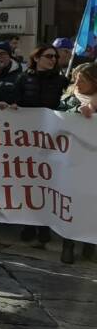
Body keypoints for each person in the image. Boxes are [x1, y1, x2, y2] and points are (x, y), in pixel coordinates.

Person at [3, 44, 68, 248]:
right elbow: (15, 99)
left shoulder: (61, 81)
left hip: (52, 140)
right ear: (37, 58)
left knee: (48, 182)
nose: (53, 60)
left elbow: (64, 105)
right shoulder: (23, 78)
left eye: (55, 57)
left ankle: (44, 226)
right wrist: (13, 106)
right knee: (28, 182)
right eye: (49, 56)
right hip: (27, 140)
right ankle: (29, 223)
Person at [59, 63, 97, 264]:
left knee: (93, 203)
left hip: (94, 161)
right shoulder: (68, 98)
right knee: (72, 203)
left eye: (83, 79)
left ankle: (90, 245)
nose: (77, 83)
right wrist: (77, 110)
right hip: (73, 159)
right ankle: (68, 244)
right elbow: (58, 117)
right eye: (76, 78)